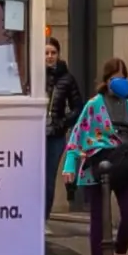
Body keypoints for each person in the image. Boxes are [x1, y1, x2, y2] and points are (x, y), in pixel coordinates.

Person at [62, 57, 128, 255]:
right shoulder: (94, 105)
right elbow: (78, 134)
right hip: (99, 165)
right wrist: (70, 164)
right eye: (115, 78)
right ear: (107, 80)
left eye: (123, 78)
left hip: (125, 164)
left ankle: (120, 251)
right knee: (99, 217)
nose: (119, 82)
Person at [44, 33, 83, 213]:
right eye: (46, 53)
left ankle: (44, 217)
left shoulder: (67, 79)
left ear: (58, 54)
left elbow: (78, 107)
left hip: (55, 135)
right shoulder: (34, 76)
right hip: (34, 134)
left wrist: (62, 122)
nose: (50, 56)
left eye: (53, 52)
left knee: (49, 179)